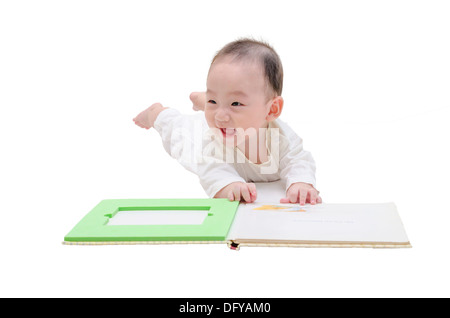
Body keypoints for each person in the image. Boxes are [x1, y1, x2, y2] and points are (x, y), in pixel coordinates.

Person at [133, 38, 321, 205]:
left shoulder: (282, 137)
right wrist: (230, 185)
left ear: (272, 110)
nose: (220, 116)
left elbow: (298, 160)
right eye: (213, 101)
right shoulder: (209, 141)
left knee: (220, 106)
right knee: (175, 130)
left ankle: (205, 100)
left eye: (236, 103)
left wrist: (301, 182)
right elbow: (212, 170)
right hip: (195, 135)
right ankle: (157, 112)